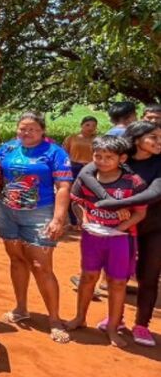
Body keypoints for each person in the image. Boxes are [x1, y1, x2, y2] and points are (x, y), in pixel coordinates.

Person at [0, 112, 73, 343]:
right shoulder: (9, 148)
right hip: (7, 212)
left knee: (41, 266)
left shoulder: (55, 152)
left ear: (42, 130)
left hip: (40, 214)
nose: (26, 133)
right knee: (16, 260)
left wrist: (58, 219)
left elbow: (63, 187)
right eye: (22, 128)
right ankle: (21, 309)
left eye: (32, 129)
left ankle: (54, 319)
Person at [75, 121, 161, 346]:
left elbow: (153, 193)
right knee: (103, 277)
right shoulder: (115, 154)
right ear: (136, 139)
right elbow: (84, 178)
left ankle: (138, 325)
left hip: (147, 228)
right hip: (108, 232)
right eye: (154, 137)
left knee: (142, 277)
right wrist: (107, 205)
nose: (159, 142)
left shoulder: (149, 170)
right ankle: (102, 319)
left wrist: (116, 207)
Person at [65, 136, 146, 348]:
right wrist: (83, 218)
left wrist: (118, 229)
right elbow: (76, 202)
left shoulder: (133, 182)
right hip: (92, 237)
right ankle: (80, 317)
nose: (102, 161)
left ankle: (112, 327)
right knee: (88, 277)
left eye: (108, 157)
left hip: (121, 239)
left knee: (117, 282)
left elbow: (140, 213)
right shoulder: (85, 178)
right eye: (97, 156)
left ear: (122, 158)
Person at [63, 116, 98, 226]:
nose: (90, 128)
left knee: (89, 195)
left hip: (91, 168)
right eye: (87, 125)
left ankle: (89, 219)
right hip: (74, 167)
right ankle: (74, 221)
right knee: (72, 194)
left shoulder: (97, 139)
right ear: (81, 125)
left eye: (93, 125)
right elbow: (64, 153)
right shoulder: (72, 138)